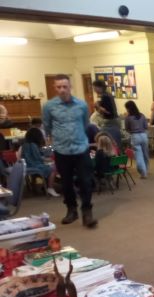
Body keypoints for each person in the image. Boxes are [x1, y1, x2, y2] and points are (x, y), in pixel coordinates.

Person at [42, 74, 97, 228]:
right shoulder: (49, 106)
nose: (62, 90)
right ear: (55, 88)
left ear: (70, 87)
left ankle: (87, 211)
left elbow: (86, 124)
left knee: (86, 181)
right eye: (58, 87)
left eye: (65, 86)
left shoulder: (81, 105)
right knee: (66, 183)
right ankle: (71, 210)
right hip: (62, 150)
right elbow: (47, 126)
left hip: (81, 148)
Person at [21, 127, 59, 197]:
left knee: (49, 166)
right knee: (53, 169)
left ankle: (45, 186)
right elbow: (38, 158)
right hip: (34, 165)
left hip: (27, 164)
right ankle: (50, 188)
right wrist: (49, 160)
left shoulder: (25, 144)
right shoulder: (33, 145)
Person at [92, 80, 121, 149]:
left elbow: (107, 111)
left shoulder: (104, 96)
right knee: (116, 143)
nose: (94, 90)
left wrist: (97, 106)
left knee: (108, 142)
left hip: (110, 122)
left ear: (99, 87)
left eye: (94, 88)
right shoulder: (109, 94)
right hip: (115, 120)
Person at [124, 101, 149, 179]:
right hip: (144, 135)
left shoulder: (128, 118)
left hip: (135, 136)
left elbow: (127, 128)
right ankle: (146, 169)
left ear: (128, 108)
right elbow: (146, 126)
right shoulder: (142, 115)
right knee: (145, 154)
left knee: (138, 155)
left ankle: (143, 172)